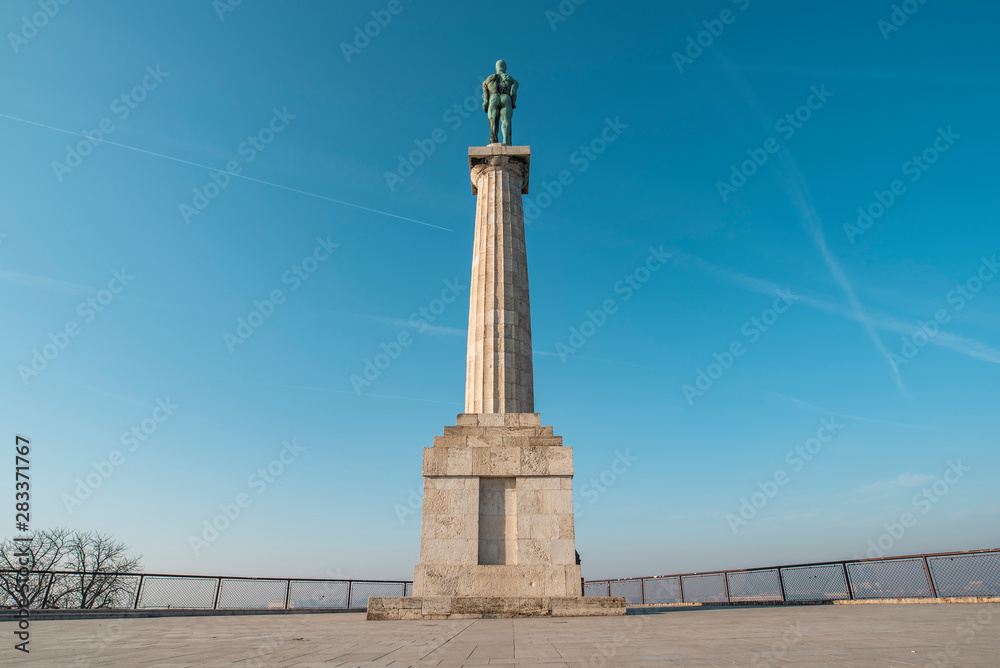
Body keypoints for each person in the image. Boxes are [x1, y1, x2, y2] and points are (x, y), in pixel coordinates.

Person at [482, 60, 518, 145]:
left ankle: (494, 141)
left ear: (496, 68)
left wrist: (486, 103)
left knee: (493, 123)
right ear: (505, 68)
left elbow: (486, 97)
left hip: (493, 97)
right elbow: (513, 93)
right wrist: (512, 103)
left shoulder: (488, 80)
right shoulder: (512, 81)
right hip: (506, 97)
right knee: (505, 120)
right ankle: (505, 141)